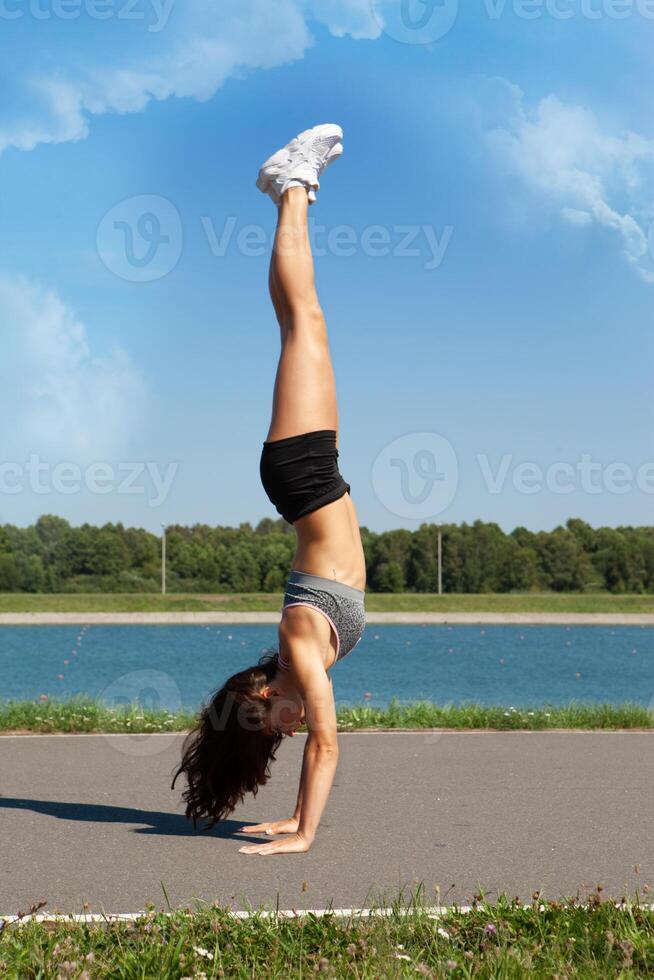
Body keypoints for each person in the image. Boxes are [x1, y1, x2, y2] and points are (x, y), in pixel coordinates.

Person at [171, 124, 367, 856]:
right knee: (304, 324)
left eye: (271, 724)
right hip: (313, 479)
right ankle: (290, 189)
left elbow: (327, 745)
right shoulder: (295, 658)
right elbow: (319, 743)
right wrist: (293, 820)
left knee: (303, 324)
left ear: (261, 695)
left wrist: (304, 836)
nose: (289, 730)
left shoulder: (294, 646)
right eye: (280, 731)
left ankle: (291, 187)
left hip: (304, 476)